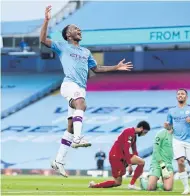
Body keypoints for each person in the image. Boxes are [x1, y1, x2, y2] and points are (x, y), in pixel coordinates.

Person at [40, 5, 133, 177]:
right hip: (69, 85)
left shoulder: (86, 52)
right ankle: (77, 138)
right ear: (68, 34)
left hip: (80, 88)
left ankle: (59, 161)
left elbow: (97, 69)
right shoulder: (62, 46)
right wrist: (46, 21)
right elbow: (44, 40)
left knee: (70, 126)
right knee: (81, 104)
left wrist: (116, 67)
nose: (79, 30)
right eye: (75, 28)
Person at [89, 121, 150, 190]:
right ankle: (94, 185)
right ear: (141, 128)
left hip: (122, 156)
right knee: (117, 182)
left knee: (141, 162)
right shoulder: (129, 132)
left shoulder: (134, 136)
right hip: (116, 156)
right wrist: (129, 165)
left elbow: (134, 150)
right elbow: (126, 149)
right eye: (145, 132)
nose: (144, 134)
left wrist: (139, 165)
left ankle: (131, 184)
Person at [164, 88, 190, 195]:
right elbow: (170, 127)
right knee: (180, 161)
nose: (180, 95)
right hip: (177, 140)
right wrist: (167, 127)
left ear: (186, 96)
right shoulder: (171, 111)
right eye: (178, 94)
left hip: (189, 140)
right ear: (176, 97)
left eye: (182, 94)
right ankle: (187, 188)